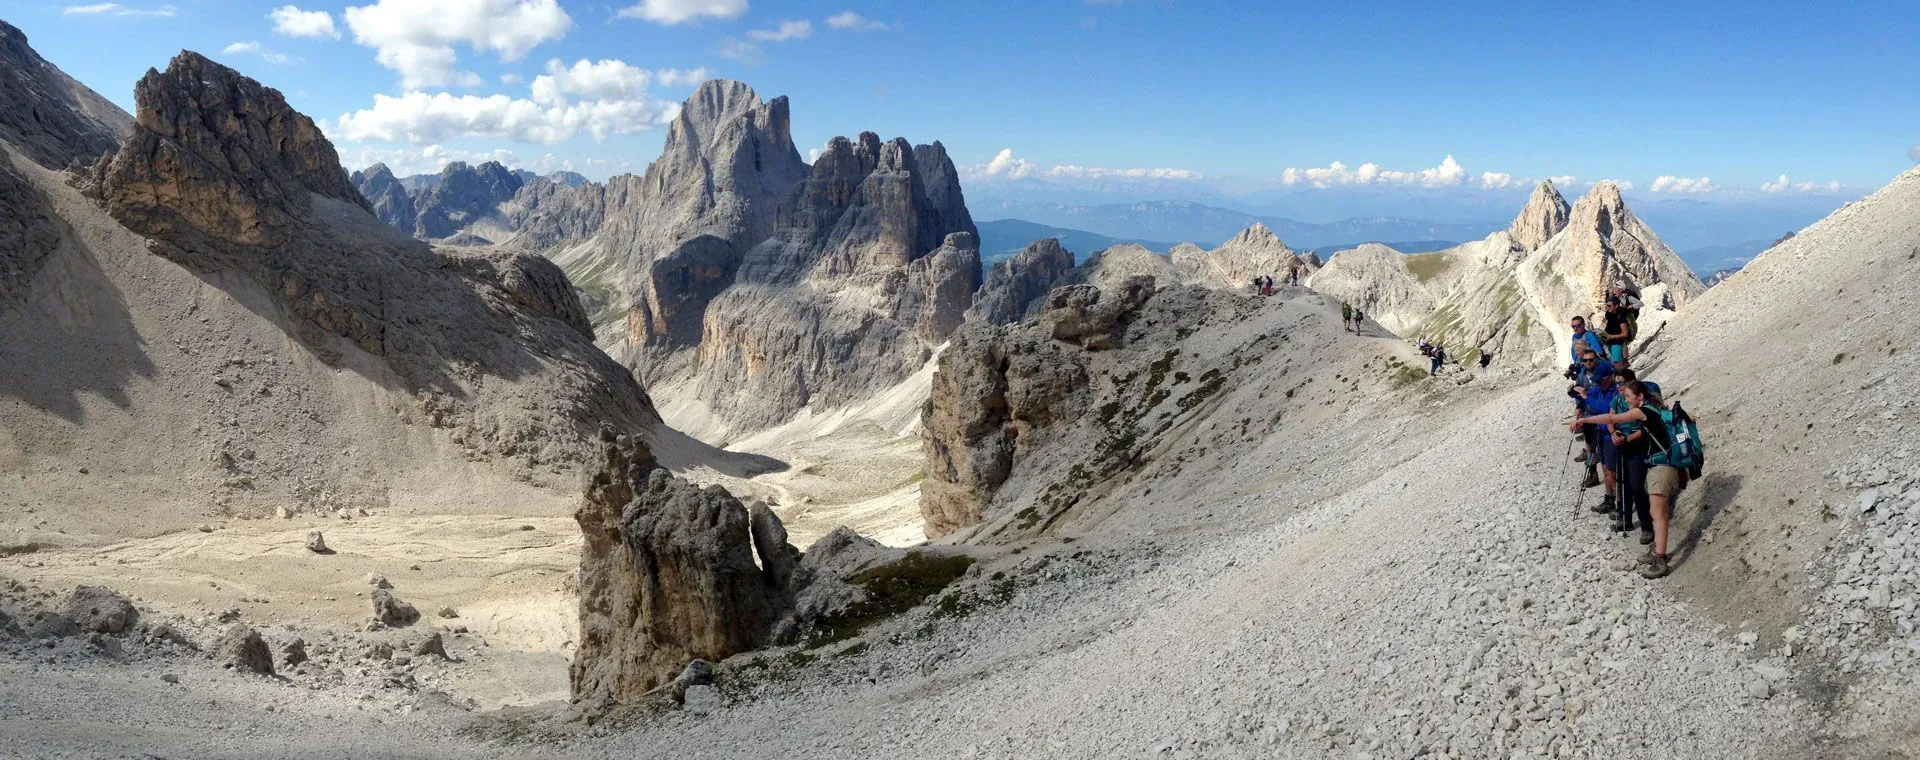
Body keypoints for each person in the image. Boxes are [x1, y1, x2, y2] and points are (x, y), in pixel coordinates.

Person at [1569, 379, 1689, 579]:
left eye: (1628, 396)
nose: (1625, 399)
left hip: (1661, 466)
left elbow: (1611, 417)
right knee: (1655, 510)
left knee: (1658, 513)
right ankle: (1657, 548)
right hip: (1661, 463)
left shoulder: (1640, 411)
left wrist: (1583, 421)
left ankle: (1660, 558)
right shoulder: (1653, 409)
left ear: (1640, 397)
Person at [1581, 362, 1622, 518]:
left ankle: (1620, 504)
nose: (1599, 384)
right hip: (1602, 433)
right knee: (1606, 469)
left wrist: (1586, 398)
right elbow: (1589, 395)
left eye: (1601, 380)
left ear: (1610, 377)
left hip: (1610, 435)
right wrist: (1577, 393)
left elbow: (1605, 409)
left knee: (1613, 472)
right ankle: (1609, 498)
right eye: (1597, 381)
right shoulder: (1601, 388)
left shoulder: (1615, 392)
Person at [1602, 298, 1632, 366]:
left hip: (1617, 343)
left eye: (1609, 306)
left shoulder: (1621, 316)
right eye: (1606, 305)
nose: (1607, 307)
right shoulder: (1608, 314)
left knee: (1617, 365)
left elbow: (1625, 334)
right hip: (1608, 342)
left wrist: (1611, 336)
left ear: (1616, 306)